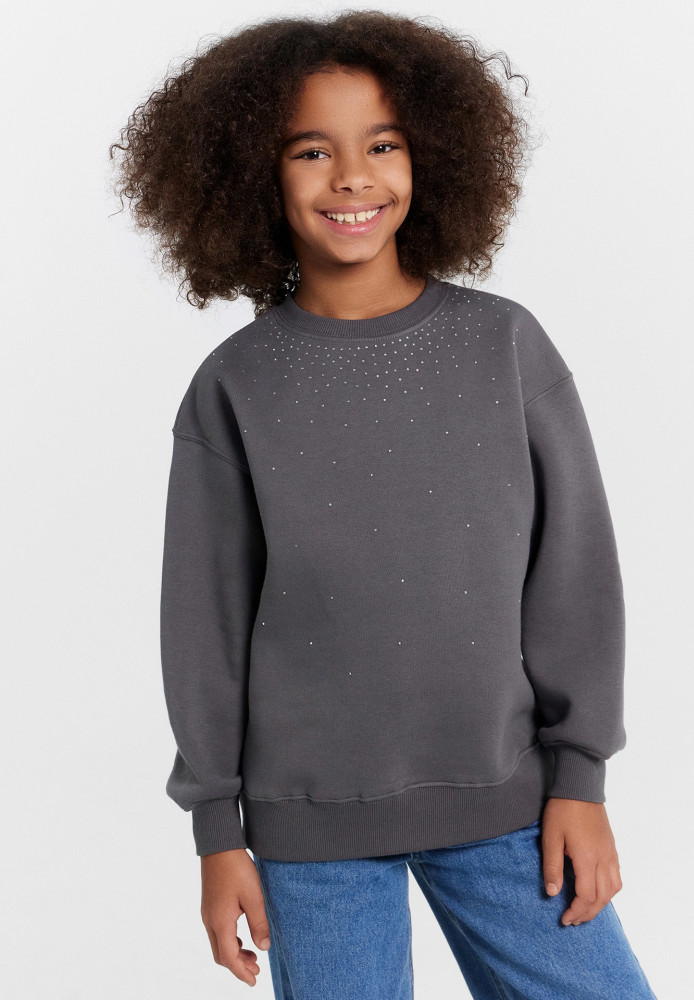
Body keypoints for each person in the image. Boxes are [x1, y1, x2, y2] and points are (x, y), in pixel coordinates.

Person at [109, 10, 659, 999]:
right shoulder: (235, 386)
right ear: (254, 174)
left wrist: (581, 777)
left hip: (511, 804)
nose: (352, 178)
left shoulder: (505, 347)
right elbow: (204, 624)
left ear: (431, 156)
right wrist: (217, 834)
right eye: (311, 150)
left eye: (384, 144)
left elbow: (572, 573)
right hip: (308, 833)